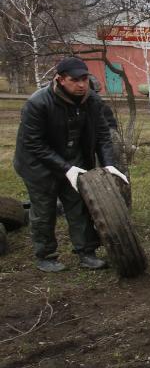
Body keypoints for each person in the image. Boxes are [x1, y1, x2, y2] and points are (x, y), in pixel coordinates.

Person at [13, 57, 128, 273]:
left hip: (72, 158)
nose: (81, 84)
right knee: (44, 209)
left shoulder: (91, 100)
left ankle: (86, 252)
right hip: (37, 165)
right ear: (60, 80)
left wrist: (109, 164)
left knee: (79, 205)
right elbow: (34, 144)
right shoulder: (38, 103)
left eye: (84, 79)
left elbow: (103, 134)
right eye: (75, 80)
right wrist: (66, 168)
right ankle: (46, 255)